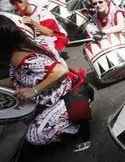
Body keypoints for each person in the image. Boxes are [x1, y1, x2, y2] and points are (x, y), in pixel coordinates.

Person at [0, 16, 93, 148]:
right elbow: (17, 77)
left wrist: (34, 90)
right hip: (55, 94)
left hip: (69, 96)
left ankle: (75, 121)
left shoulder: (23, 58)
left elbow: (60, 70)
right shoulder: (24, 43)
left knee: (34, 136)